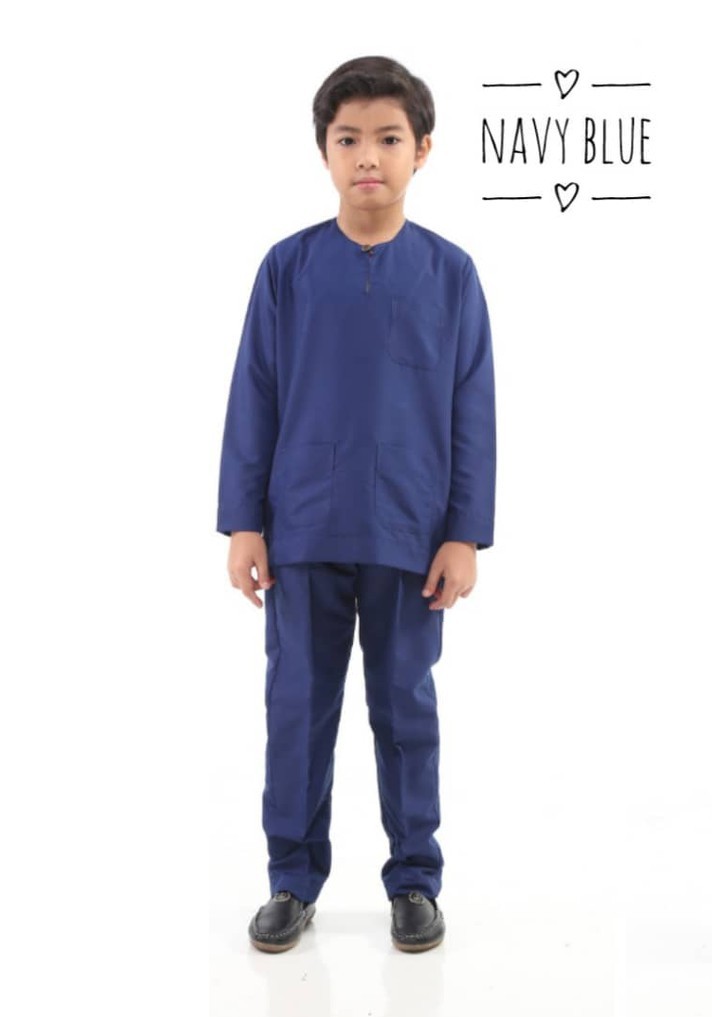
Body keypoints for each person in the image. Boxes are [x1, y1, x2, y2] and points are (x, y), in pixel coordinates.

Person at [216, 55, 497, 955]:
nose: (367, 156)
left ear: (423, 150)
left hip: (411, 534)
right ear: (324, 152)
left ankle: (414, 879)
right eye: (348, 139)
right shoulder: (288, 269)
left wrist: (464, 533)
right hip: (302, 527)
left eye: (387, 138)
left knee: (405, 711)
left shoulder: (450, 276)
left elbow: (472, 410)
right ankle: (291, 880)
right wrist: (245, 522)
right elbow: (255, 395)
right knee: (298, 708)